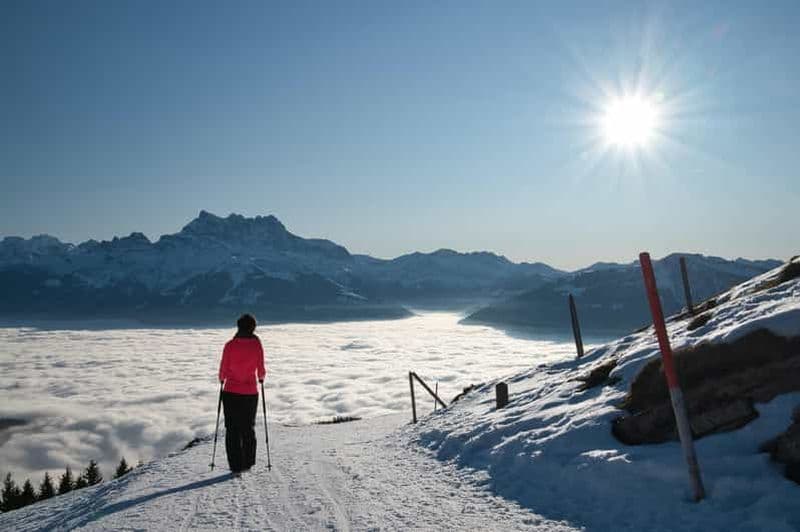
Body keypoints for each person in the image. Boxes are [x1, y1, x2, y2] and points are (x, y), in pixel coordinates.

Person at [218, 313, 266, 474]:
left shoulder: (230, 345)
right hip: (250, 392)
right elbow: (261, 368)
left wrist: (222, 379)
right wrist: (260, 378)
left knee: (232, 429)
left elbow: (223, 368)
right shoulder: (256, 345)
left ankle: (236, 465)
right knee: (248, 427)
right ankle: (248, 462)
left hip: (231, 391)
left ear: (238, 327)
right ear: (253, 327)